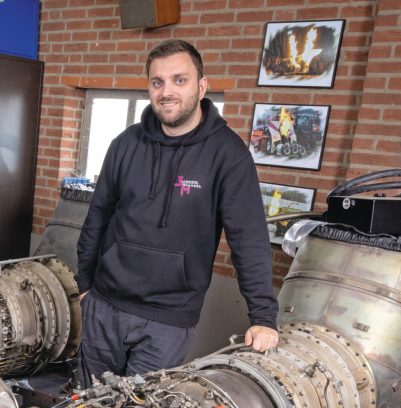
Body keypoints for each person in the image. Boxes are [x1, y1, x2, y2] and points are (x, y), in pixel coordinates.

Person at [76, 39, 279, 386]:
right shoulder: (125, 145)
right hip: (105, 306)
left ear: (201, 87)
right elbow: (98, 216)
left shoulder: (228, 155)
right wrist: (84, 284)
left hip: (167, 321)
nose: (166, 91)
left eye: (179, 80)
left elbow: (249, 239)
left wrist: (263, 315)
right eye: (158, 82)